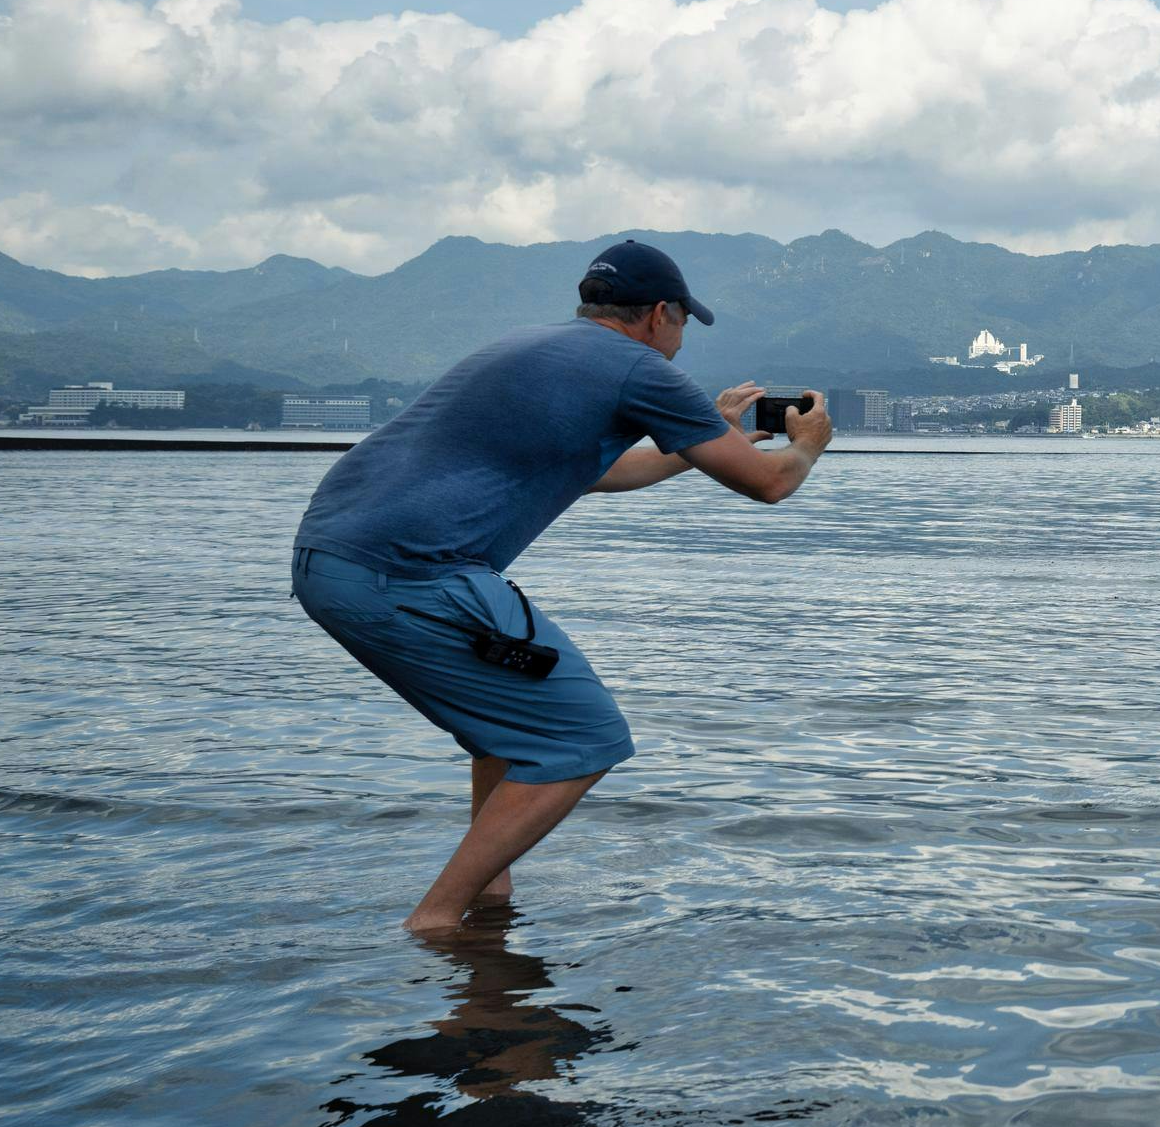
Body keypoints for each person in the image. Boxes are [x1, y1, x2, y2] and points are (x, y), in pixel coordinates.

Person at [291, 238, 834, 936]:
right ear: (659, 314)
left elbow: (595, 471)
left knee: (508, 730)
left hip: (329, 559)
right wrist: (807, 443)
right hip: (411, 571)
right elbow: (770, 483)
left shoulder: (525, 347)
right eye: (680, 326)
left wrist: (708, 438)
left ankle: (491, 904)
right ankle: (436, 920)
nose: (677, 343)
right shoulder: (639, 367)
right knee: (584, 737)